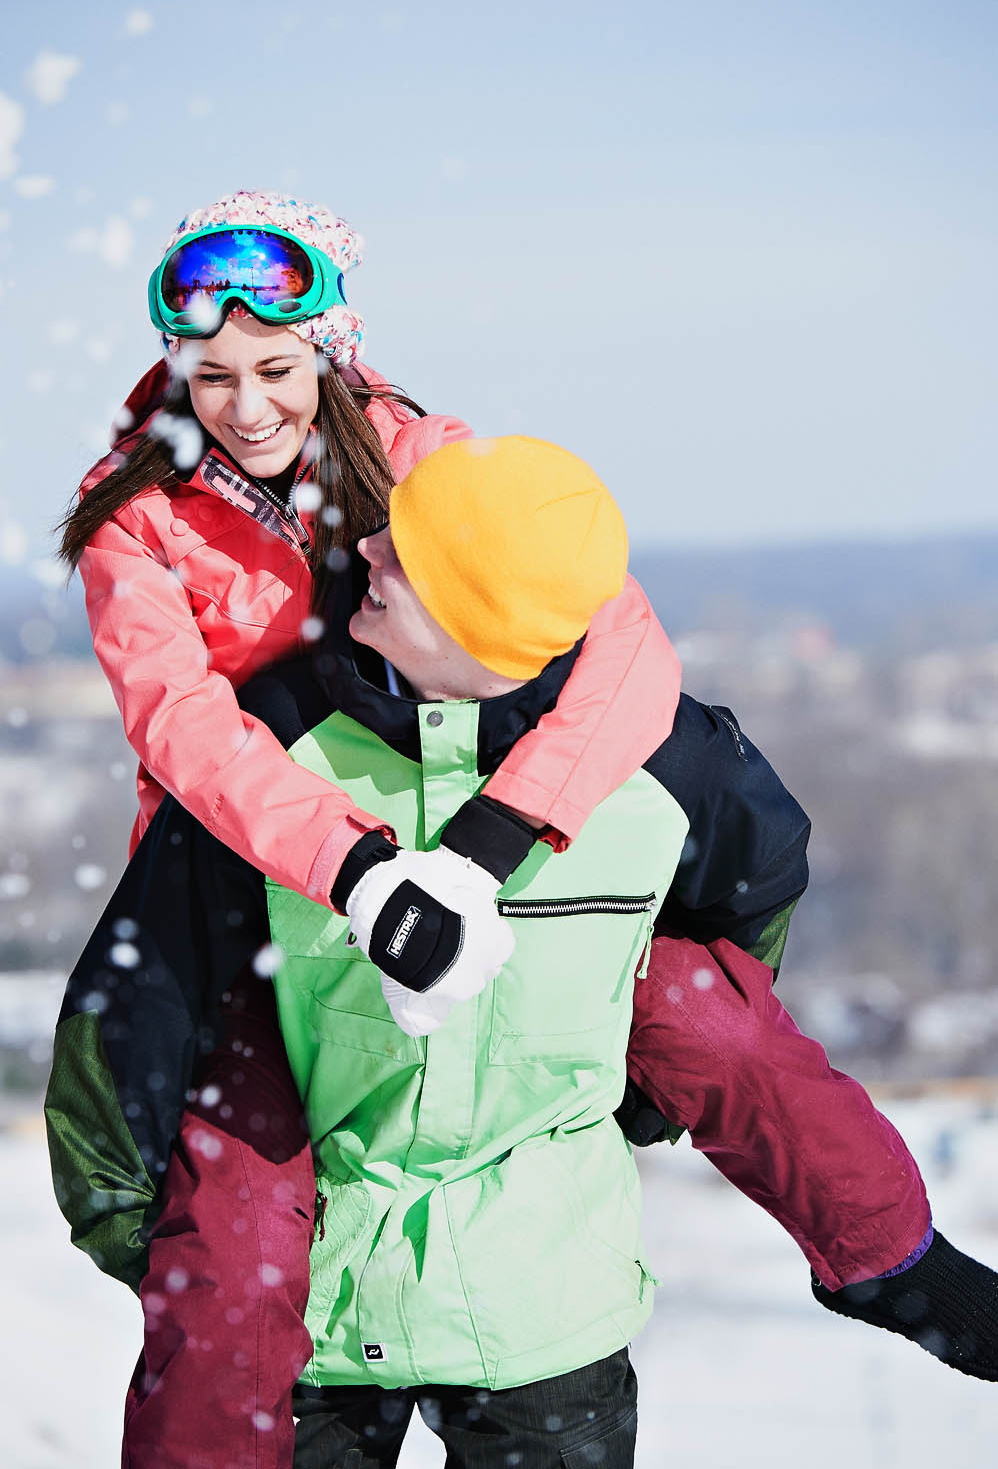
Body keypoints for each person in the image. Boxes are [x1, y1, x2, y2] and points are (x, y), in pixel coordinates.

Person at [51, 439, 998, 1466]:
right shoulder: (275, 742)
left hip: (544, 1310)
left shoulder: (669, 766)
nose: (362, 548)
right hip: (311, 1311)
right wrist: (141, 1231)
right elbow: (144, 984)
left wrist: (650, 1063)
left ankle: (900, 1269)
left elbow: (750, 896)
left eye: (402, 553)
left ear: (478, 619)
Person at [48, 189, 685, 1469]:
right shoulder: (140, 513)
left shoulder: (420, 456)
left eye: (275, 366)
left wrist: (491, 848)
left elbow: (626, 646)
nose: (246, 403)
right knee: (232, 1259)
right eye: (210, 371)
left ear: (330, 348)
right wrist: (353, 868)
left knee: (712, 998)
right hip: (249, 896)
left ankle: (888, 1255)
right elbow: (183, 726)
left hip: (457, 852)